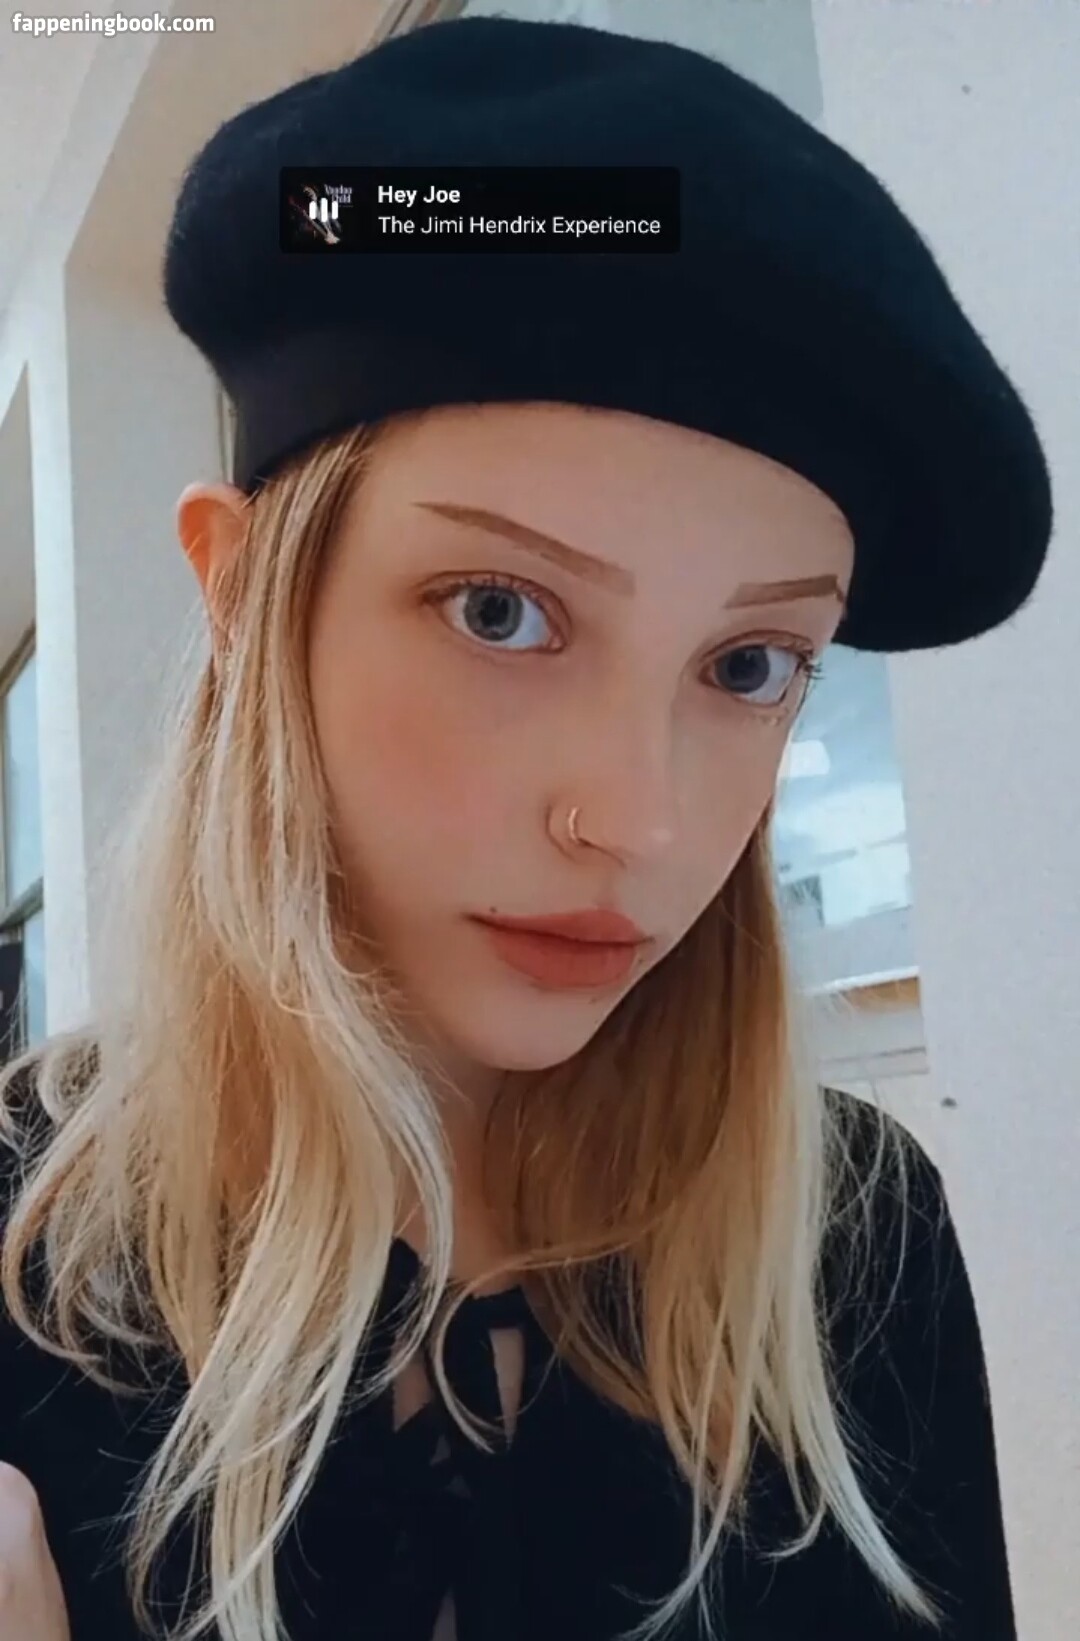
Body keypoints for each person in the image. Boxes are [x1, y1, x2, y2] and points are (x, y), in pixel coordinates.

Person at [0, 15, 1053, 1641]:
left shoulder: (857, 1242)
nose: (638, 819)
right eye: (501, 609)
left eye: (751, 664)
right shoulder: (28, 1257)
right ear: (243, 598)